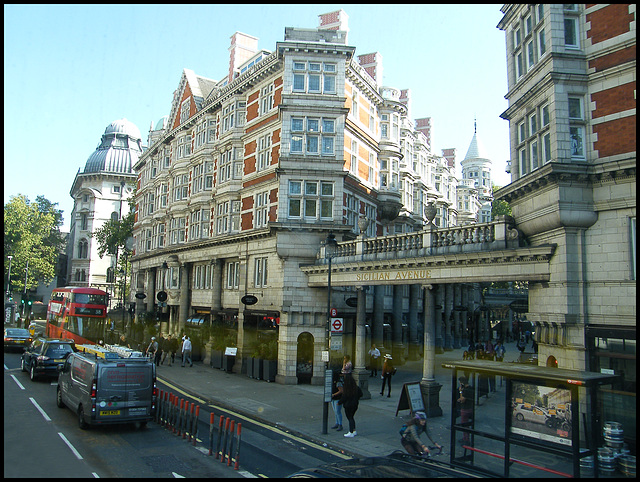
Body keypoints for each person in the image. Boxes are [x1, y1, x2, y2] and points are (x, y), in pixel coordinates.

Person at [457, 376, 474, 444]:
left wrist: (460, 392)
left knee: (464, 424)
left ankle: (466, 439)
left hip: (465, 409)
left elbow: (463, 400)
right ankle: (466, 437)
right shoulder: (470, 388)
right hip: (470, 407)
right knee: (467, 424)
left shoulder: (465, 390)